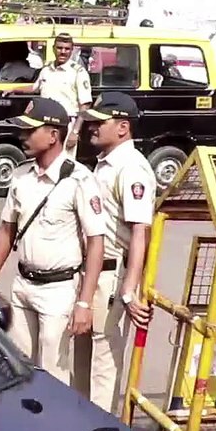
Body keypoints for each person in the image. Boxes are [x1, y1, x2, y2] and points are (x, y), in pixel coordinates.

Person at [0, 98, 104, 385]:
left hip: (58, 290)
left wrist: (84, 303)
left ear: (53, 135)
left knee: (52, 373)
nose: (23, 136)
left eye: (30, 130)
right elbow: (6, 230)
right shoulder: (21, 177)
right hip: (23, 285)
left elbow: (95, 242)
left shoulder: (79, 180)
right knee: (17, 367)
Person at [74, 92, 155, 413]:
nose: (91, 127)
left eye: (99, 122)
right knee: (80, 357)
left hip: (109, 273)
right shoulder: (106, 163)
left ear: (123, 127)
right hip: (88, 271)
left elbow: (140, 231)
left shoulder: (132, 168)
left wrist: (128, 289)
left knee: (103, 361)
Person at [5, 32, 92, 154]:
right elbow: (35, 87)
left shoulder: (78, 72)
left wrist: (75, 132)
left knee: (64, 160)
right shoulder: (47, 69)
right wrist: (14, 89)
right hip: (43, 122)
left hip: (65, 123)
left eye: (67, 49)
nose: (63, 52)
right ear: (53, 49)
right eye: (59, 48)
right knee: (44, 157)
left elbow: (85, 104)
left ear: (72, 51)